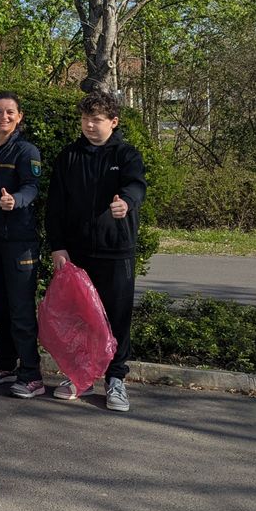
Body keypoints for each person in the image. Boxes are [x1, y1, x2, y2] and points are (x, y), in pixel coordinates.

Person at [46, 90, 147, 412]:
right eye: (86, 119)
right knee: (80, 318)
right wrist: (58, 246)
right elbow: (55, 205)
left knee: (117, 318)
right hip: (77, 252)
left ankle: (115, 379)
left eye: (97, 120)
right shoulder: (69, 156)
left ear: (113, 122)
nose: (90, 125)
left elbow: (136, 185)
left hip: (116, 251)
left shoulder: (126, 155)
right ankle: (80, 376)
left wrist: (126, 203)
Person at [0, 91, 45, 399]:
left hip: (19, 241)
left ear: (19, 117)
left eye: (9, 112)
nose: (2, 117)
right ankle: (6, 363)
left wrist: (15, 200)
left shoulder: (25, 150)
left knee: (21, 310)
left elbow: (32, 188)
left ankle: (31, 374)